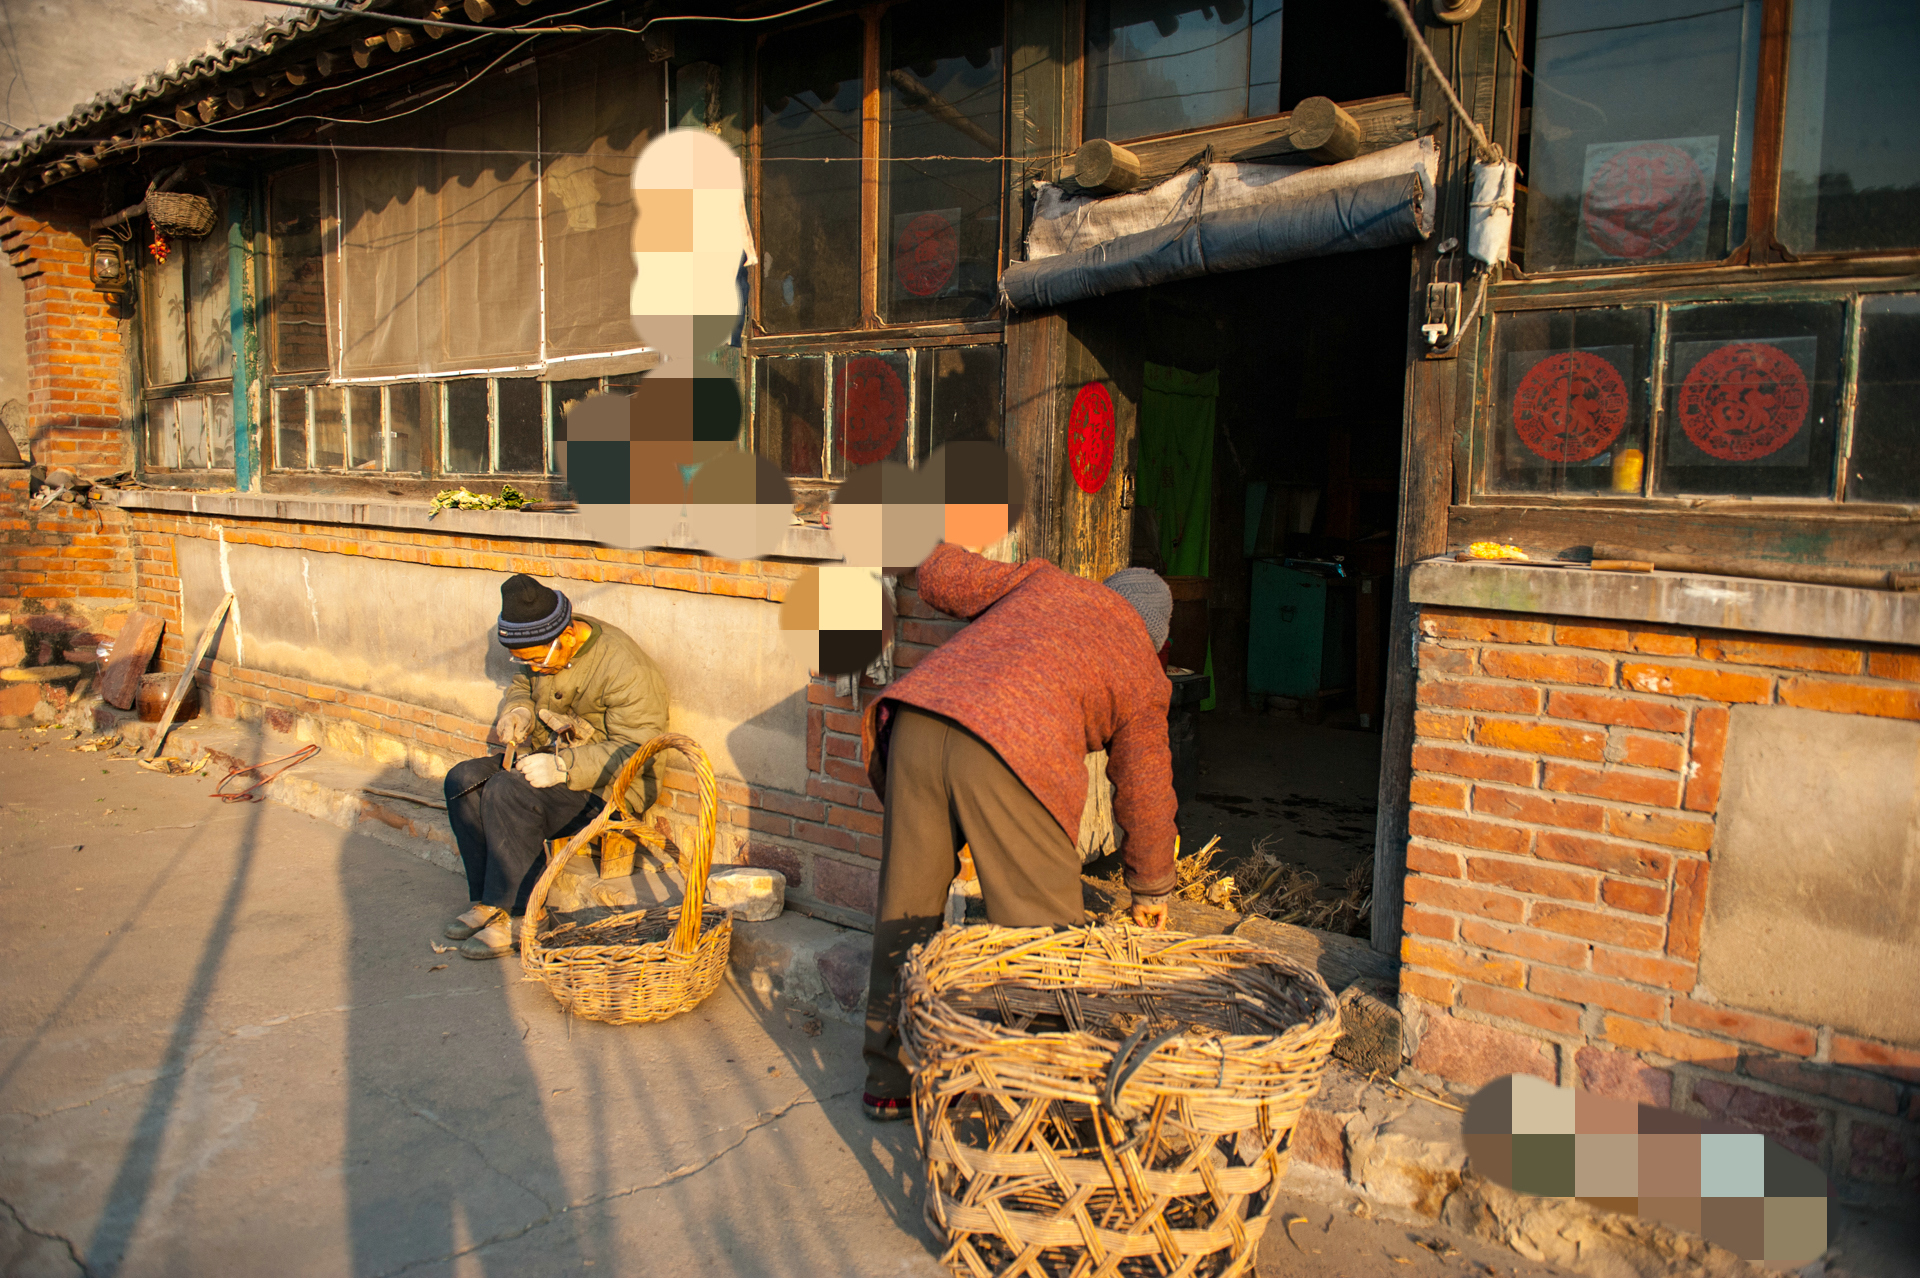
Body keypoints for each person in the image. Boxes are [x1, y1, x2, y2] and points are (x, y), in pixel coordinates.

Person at [856, 543, 1178, 1120]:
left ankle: (888, 1081)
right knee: (1044, 940)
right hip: (1008, 748)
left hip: (919, 722)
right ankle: (1042, 1107)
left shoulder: (1044, 583)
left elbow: (945, 575)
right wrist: (1151, 886)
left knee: (905, 911)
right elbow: (1146, 788)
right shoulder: (1141, 664)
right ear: (1157, 635)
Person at [442, 575, 670, 960]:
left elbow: (638, 748)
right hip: (547, 760)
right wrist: (518, 709)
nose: (530, 667)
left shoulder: (624, 666)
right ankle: (489, 901)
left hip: (607, 784)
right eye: (523, 659)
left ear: (564, 638)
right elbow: (522, 683)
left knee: (506, 790)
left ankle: (526, 918)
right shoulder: (542, 645)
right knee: (463, 780)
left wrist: (564, 766)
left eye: (534, 660)